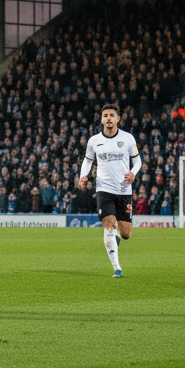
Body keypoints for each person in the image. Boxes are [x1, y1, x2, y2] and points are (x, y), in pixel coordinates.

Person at [78, 103, 142, 278]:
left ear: (118, 119)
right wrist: (83, 176)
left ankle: (115, 240)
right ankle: (117, 268)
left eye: (111, 115)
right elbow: (87, 160)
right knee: (109, 225)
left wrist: (133, 174)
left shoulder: (128, 138)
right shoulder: (94, 141)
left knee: (125, 234)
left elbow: (138, 162)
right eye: (105, 115)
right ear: (102, 119)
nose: (108, 118)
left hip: (124, 190)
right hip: (104, 189)